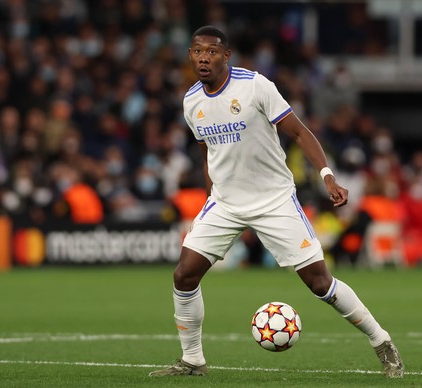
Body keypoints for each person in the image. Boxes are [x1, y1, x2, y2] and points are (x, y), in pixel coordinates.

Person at [149, 26, 404, 379]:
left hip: (273, 200)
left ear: (226, 56)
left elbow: (299, 132)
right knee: (184, 274)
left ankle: (382, 341)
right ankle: (192, 360)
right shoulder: (191, 101)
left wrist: (327, 175)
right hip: (225, 202)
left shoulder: (256, 86)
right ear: (190, 56)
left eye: (211, 51)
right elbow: (209, 150)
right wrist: (211, 195)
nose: (203, 57)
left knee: (319, 283)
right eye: (197, 51)